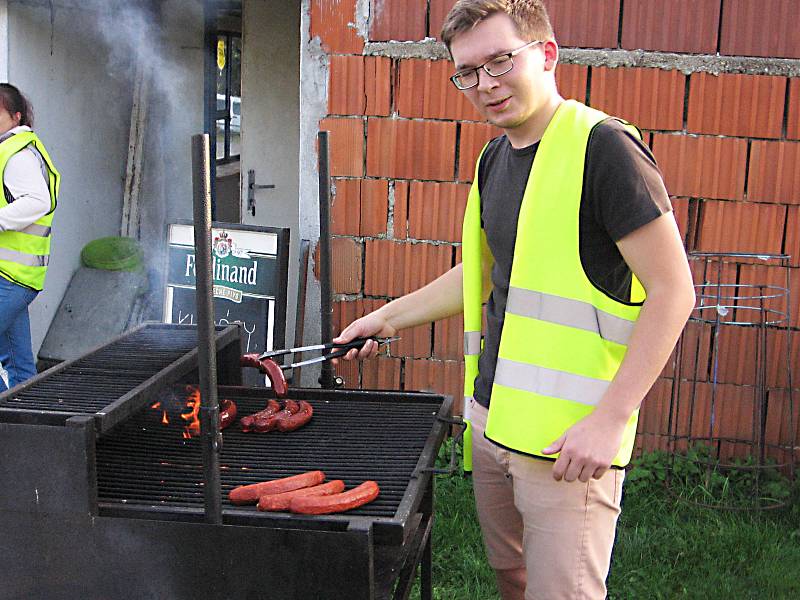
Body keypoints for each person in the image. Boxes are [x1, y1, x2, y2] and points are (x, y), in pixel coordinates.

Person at [334, 1, 695, 598]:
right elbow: (482, 275)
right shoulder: (494, 157)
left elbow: (673, 289)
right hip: (491, 418)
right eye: (467, 72)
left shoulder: (603, 150)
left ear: (546, 54)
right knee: (513, 578)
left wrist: (610, 420)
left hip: (567, 443)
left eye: (501, 61)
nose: (485, 85)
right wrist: (385, 319)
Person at [0, 84, 60, 392]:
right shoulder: (13, 149)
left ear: (16, 116)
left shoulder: (17, 153)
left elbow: (38, 201)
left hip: (9, 278)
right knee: (18, 362)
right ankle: (27, 420)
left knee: (16, 359)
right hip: (17, 278)